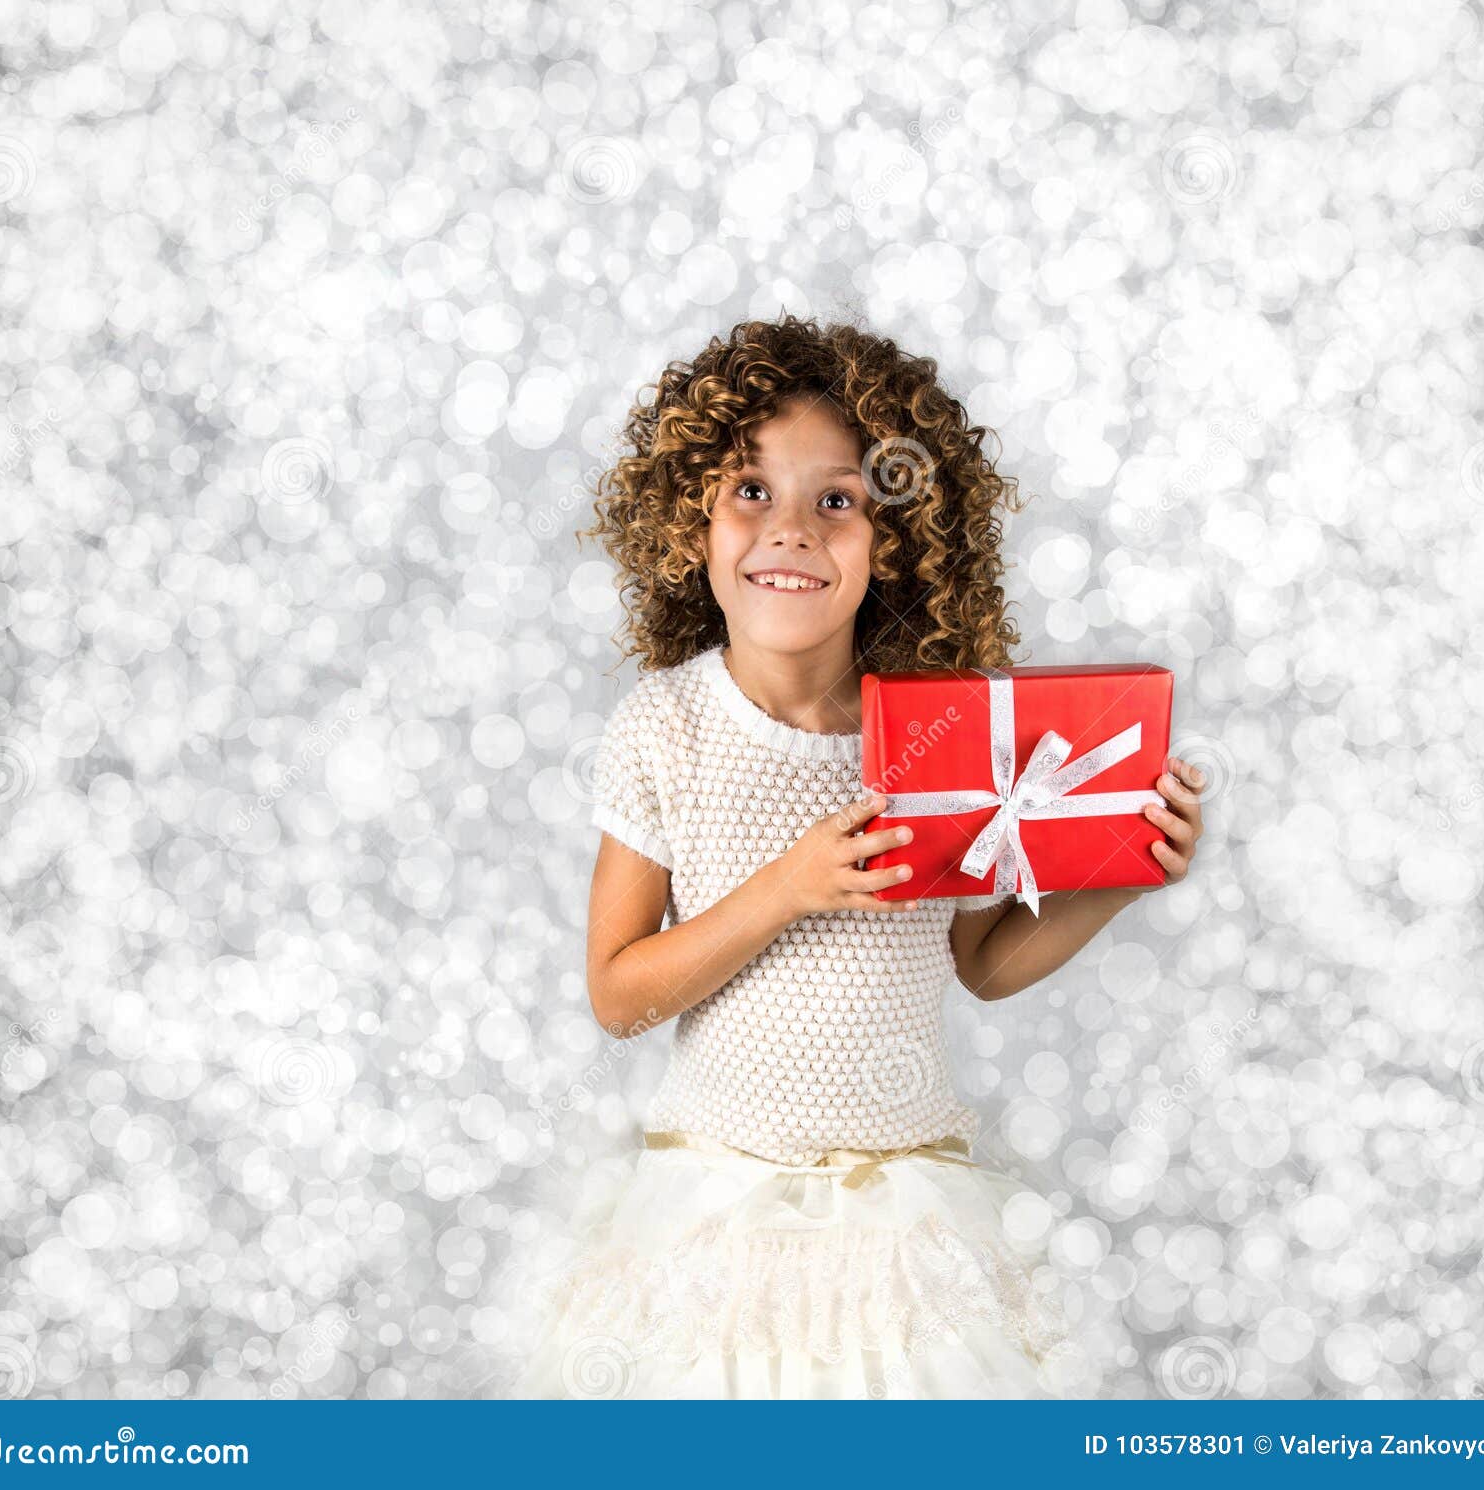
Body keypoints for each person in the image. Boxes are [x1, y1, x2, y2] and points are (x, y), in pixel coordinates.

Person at [506, 314, 1204, 1399]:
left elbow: (980, 959)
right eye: (750, 490)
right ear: (689, 521)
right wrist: (786, 888)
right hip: (715, 1216)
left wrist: (1121, 869)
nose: (788, 530)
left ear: (897, 538)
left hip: (906, 1216)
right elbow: (617, 993)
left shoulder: (936, 737)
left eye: (835, 500)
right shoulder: (666, 727)